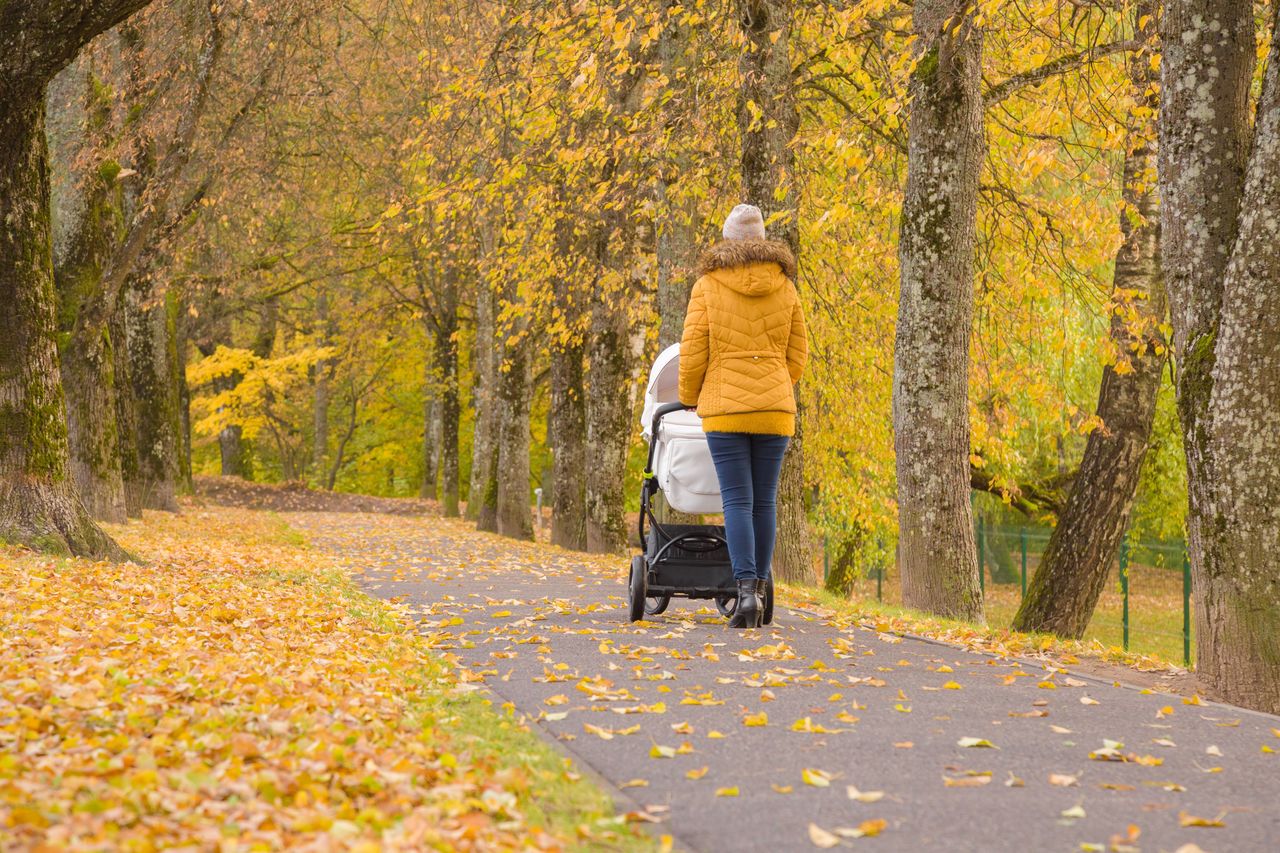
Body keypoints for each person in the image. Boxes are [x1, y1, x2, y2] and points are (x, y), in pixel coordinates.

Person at [677, 203, 808, 628]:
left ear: (728, 239)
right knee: (764, 501)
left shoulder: (708, 285)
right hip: (774, 409)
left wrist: (690, 395)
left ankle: (745, 591)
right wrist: (773, 384)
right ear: (763, 238)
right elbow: (798, 354)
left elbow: (694, 349)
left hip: (725, 409)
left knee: (737, 499)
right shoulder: (785, 286)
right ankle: (760, 592)